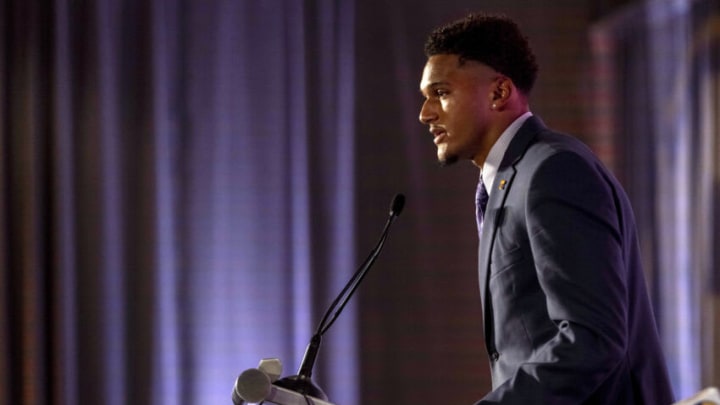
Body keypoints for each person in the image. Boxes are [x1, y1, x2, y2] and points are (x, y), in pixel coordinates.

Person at [418, 13, 675, 404]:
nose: (426, 113)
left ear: (499, 92)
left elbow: (593, 339)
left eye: (441, 92)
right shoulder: (511, 180)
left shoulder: (553, 172)